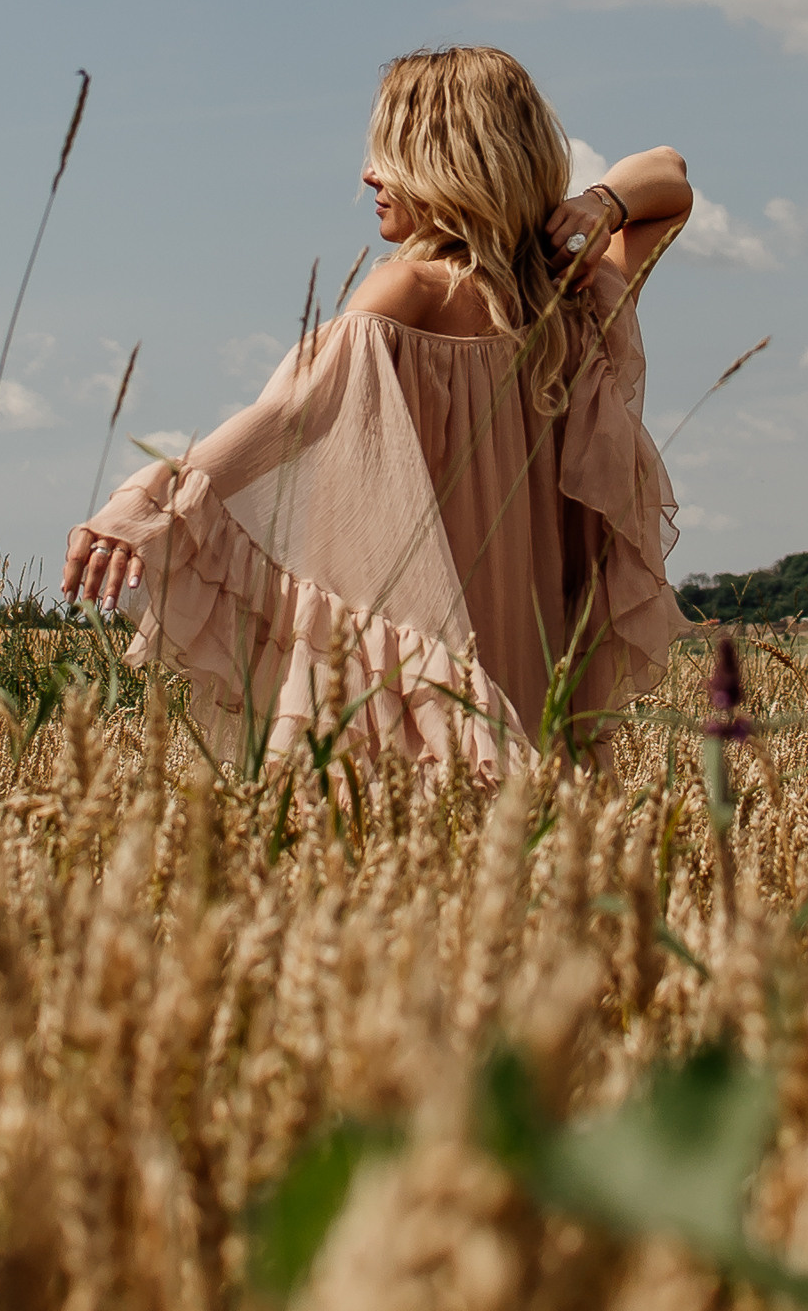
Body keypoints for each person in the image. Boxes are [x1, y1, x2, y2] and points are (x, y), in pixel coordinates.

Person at [61, 45, 691, 773]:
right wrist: (603, 204)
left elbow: (286, 417)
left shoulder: (407, 291)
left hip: (414, 675)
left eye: (389, 155)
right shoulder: (579, 300)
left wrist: (150, 500)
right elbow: (670, 178)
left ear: (449, 165)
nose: (368, 176)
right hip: (537, 667)